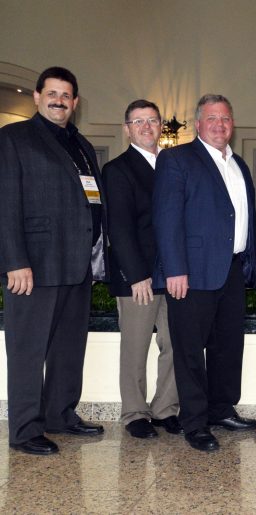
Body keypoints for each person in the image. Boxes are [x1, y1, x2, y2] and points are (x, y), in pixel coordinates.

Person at [0, 66, 107, 455]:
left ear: (75, 102)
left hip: (76, 264)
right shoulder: (13, 139)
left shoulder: (80, 144)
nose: (59, 100)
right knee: (29, 349)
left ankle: (60, 414)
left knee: (67, 346)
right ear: (37, 96)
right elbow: (5, 203)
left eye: (66, 95)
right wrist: (14, 261)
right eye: (52, 93)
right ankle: (25, 429)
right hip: (33, 267)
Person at [153, 94, 256, 452]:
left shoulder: (238, 164)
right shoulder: (177, 158)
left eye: (226, 119)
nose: (220, 125)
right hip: (192, 273)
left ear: (233, 124)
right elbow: (167, 219)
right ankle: (195, 422)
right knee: (188, 349)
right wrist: (175, 269)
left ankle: (221, 408)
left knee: (227, 345)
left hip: (231, 269)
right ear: (198, 124)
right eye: (212, 118)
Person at [103, 99, 181, 439]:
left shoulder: (175, 164)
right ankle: (134, 412)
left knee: (175, 343)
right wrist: (136, 274)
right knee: (135, 346)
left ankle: (166, 409)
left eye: (152, 120)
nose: (146, 127)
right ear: (127, 129)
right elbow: (118, 227)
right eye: (138, 121)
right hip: (138, 277)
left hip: (174, 273)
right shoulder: (118, 169)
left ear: (160, 125)